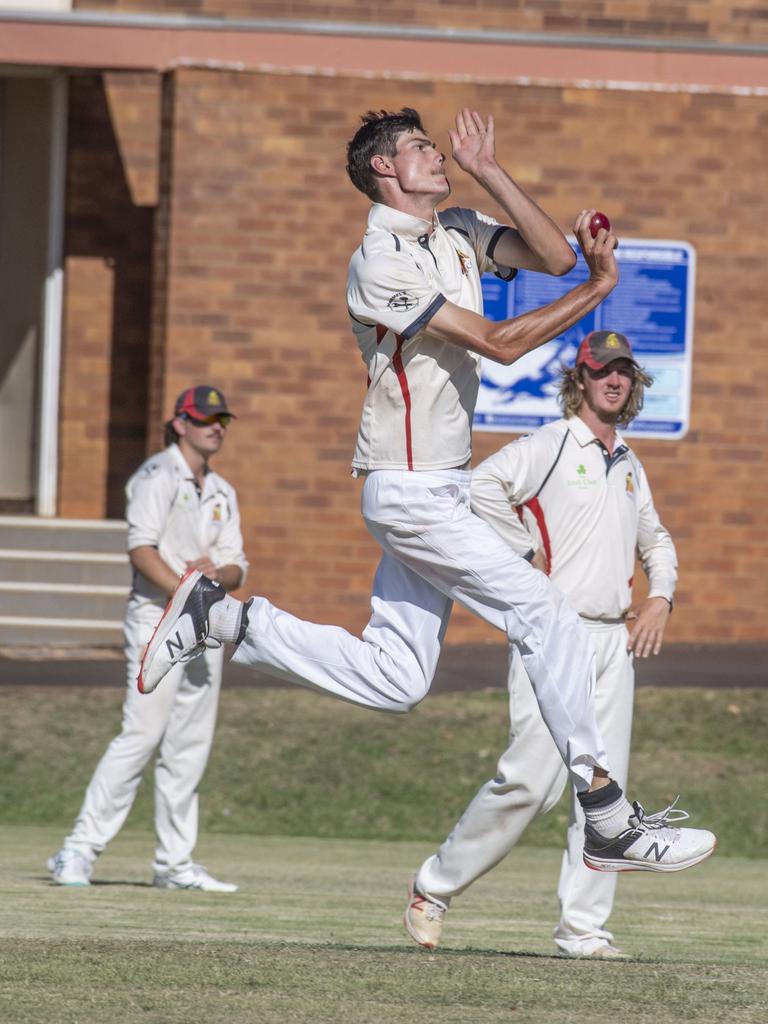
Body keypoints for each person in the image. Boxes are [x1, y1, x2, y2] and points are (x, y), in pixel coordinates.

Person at [137, 108, 714, 885]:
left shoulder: (459, 228)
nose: (434, 154)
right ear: (384, 170)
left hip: (441, 487)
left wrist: (491, 172)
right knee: (547, 613)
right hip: (409, 491)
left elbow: (552, 255)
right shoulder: (379, 260)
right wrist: (602, 287)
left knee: (398, 678)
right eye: (419, 148)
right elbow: (502, 345)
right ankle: (605, 811)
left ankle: (222, 616)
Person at [405, 330, 683, 955]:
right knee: (531, 782)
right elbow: (482, 487)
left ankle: (583, 929)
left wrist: (660, 596)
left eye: (623, 372)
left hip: (613, 638)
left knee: (604, 796)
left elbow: (656, 539)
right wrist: (524, 558)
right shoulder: (553, 444)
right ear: (578, 379)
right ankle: (433, 887)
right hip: (554, 634)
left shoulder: (630, 462)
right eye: (601, 371)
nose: (614, 381)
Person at [48, 386, 248, 891]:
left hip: (205, 625)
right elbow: (141, 549)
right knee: (141, 735)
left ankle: (175, 865)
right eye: (205, 418)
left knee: (190, 745)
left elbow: (236, 565)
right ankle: (78, 850)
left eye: (221, 418)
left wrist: (215, 576)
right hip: (156, 620)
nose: (216, 426)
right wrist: (188, 589)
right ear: (179, 423)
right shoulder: (156, 476)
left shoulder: (222, 490)